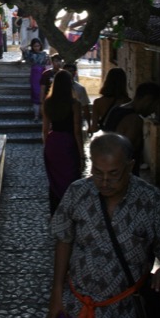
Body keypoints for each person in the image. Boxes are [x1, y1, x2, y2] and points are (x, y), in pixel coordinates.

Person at [39, 132, 160, 318]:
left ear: (130, 165)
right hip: (74, 307)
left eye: (113, 174)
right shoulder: (78, 192)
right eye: (98, 173)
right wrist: (57, 295)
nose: (104, 182)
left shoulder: (151, 200)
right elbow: (64, 241)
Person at [42, 69, 85, 215]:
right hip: (68, 143)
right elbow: (77, 131)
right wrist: (82, 155)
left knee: (54, 180)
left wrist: (47, 146)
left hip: (53, 142)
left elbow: (45, 130)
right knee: (71, 177)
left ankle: (55, 211)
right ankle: (71, 211)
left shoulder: (48, 103)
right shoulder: (75, 104)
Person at [103, 82, 160, 176]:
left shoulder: (117, 109)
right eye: (155, 105)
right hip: (123, 178)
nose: (154, 110)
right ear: (148, 100)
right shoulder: (135, 120)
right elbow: (124, 154)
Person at [91, 67, 129, 133]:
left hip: (107, 137)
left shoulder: (98, 102)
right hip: (122, 138)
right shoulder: (127, 102)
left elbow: (94, 128)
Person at [22, 38, 49, 122]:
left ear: (41, 45)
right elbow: (24, 52)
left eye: (38, 45)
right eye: (34, 46)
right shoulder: (30, 53)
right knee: (36, 93)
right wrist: (27, 47)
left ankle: (44, 115)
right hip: (34, 74)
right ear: (32, 47)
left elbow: (48, 63)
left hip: (43, 73)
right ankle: (36, 115)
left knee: (45, 93)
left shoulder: (44, 54)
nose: (36, 47)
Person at [63, 62, 92, 136]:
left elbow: (85, 108)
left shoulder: (80, 89)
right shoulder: (56, 88)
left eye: (71, 71)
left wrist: (89, 125)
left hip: (77, 121)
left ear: (75, 73)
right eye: (67, 71)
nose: (69, 73)